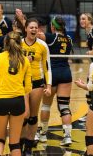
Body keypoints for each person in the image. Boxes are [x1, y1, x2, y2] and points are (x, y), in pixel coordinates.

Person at [0, 31, 32, 156]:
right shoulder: (25, 60)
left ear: (5, 43)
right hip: (18, 102)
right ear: (20, 43)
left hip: (1, 101)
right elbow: (28, 87)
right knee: (15, 144)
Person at [35, 16, 74, 146]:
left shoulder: (51, 37)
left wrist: (23, 21)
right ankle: (67, 136)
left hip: (52, 74)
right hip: (66, 74)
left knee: (46, 105)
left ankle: (43, 134)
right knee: (64, 107)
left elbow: (34, 32)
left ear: (53, 26)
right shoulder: (69, 39)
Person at [20, 18, 52, 155]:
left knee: (32, 117)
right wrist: (24, 61)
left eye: (36, 28)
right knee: (23, 116)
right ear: (26, 28)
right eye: (31, 27)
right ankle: (18, 145)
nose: (34, 30)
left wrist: (49, 86)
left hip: (37, 83)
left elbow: (47, 67)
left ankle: (28, 147)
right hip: (20, 83)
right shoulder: (18, 44)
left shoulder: (43, 45)